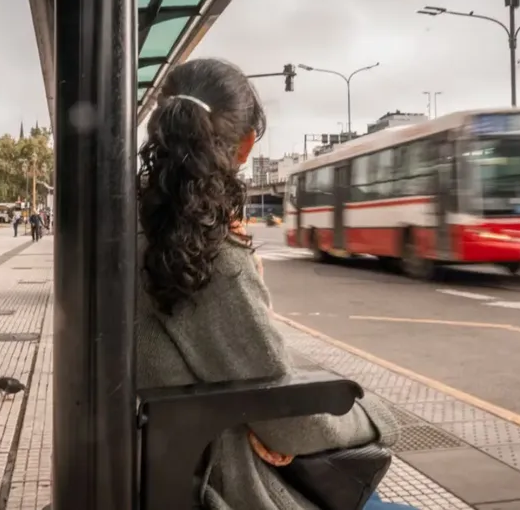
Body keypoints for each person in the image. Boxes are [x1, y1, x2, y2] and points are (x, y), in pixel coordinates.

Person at [135, 58, 410, 510]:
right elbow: (288, 424)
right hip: (217, 489)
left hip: (155, 468)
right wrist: (379, 417)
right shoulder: (209, 257)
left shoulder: (125, 227)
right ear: (245, 147)